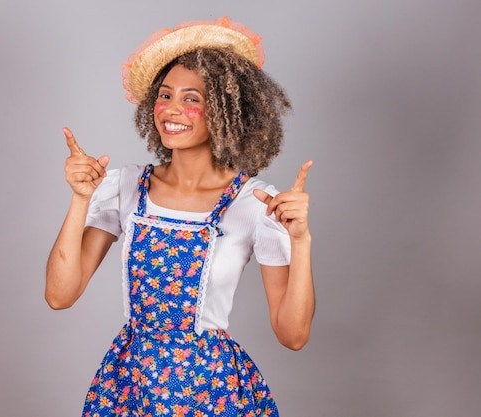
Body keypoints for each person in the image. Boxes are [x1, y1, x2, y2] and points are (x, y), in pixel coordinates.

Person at [45, 16, 315, 417]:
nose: (172, 109)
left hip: (212, 394)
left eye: (192, 98)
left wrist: (301, 242)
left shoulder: (254, 203)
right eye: (165, 95)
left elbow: (292, 335)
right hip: (131, 387)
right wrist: (81, 199)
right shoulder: (126, 187)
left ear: (225, 111)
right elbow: (59, 296)